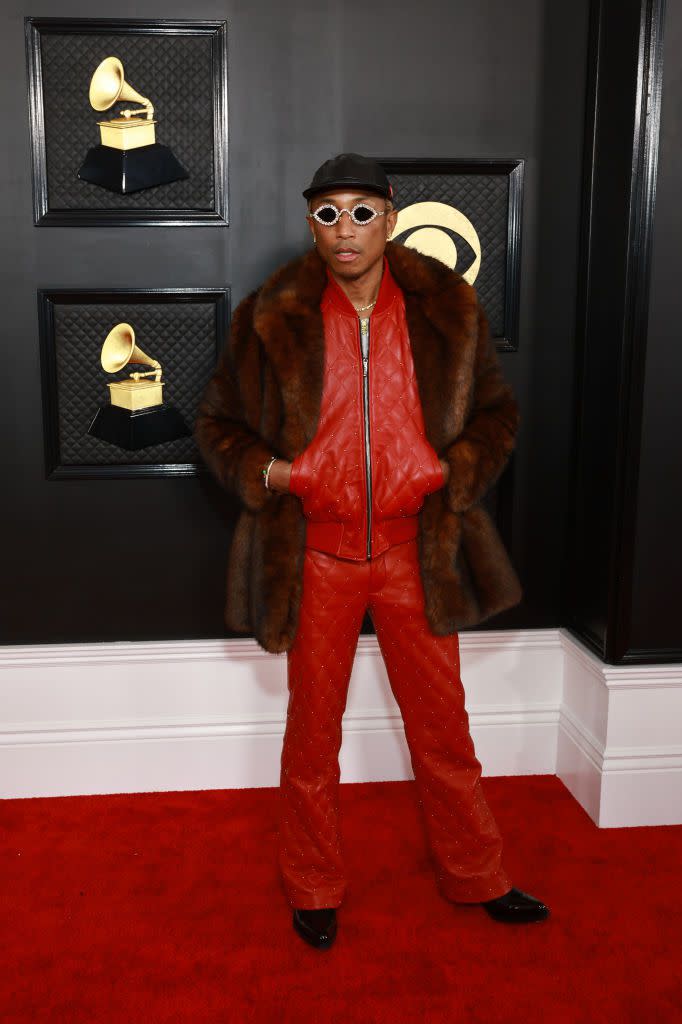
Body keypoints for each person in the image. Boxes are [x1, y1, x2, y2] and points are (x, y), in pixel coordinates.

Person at [195, 153, 550, 950]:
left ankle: (478, 875)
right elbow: (217, 427)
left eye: (361, 211)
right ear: (310, 223)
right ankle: (314, 885)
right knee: (312, 733)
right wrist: (282, 472)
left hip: (411, 553)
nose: (345, 229)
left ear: (391, 217)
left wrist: (448, 470)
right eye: (328, 212)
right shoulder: (271, 313)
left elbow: (497, 415)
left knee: (442, 729)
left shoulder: (446, 310)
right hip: (314, 556)